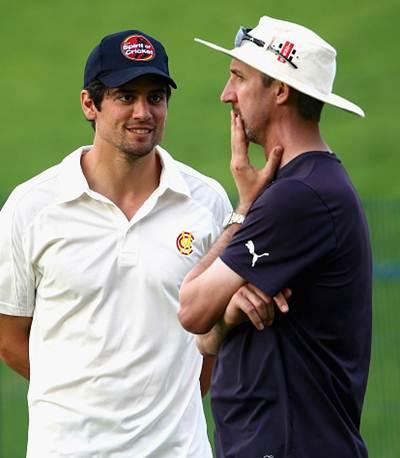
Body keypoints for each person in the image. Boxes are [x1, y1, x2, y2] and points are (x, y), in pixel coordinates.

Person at [0, 29, 232, 458]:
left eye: (156, 97)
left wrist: (164, 405)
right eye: (126, 96)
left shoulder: (206, 202)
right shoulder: (31, 206)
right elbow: (9, 336)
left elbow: (215, 340)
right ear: (90, 104)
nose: (143, 112)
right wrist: (86, 404)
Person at [178, 15, 372, 458]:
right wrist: (227, 314)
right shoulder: (298, 188)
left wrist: (243, 208)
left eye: (239, 79)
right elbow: (206, 336)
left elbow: (190, 309)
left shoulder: (299, 197)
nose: (226, 95)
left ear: (280, 90)